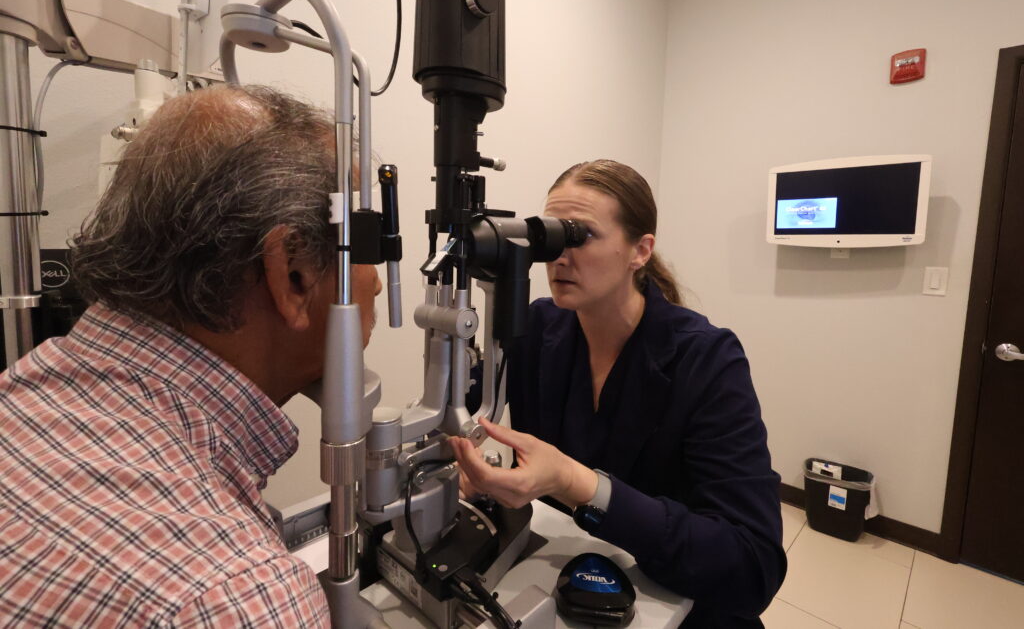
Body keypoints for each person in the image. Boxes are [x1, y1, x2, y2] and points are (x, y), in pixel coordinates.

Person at [0, 86, 381, 627]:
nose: (377, 283)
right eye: (366, 250)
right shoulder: (234, 599)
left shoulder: (22, 388)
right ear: (293, 273)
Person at [451, 159, 787, 628]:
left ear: (640, 250)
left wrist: (578, 484)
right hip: (569, 588)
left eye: (580, 235)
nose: (559, 256)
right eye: (551, 234)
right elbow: (463, 404)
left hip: (680, 607)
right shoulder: (539, 328)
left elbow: (753, 567)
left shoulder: (707, 360)